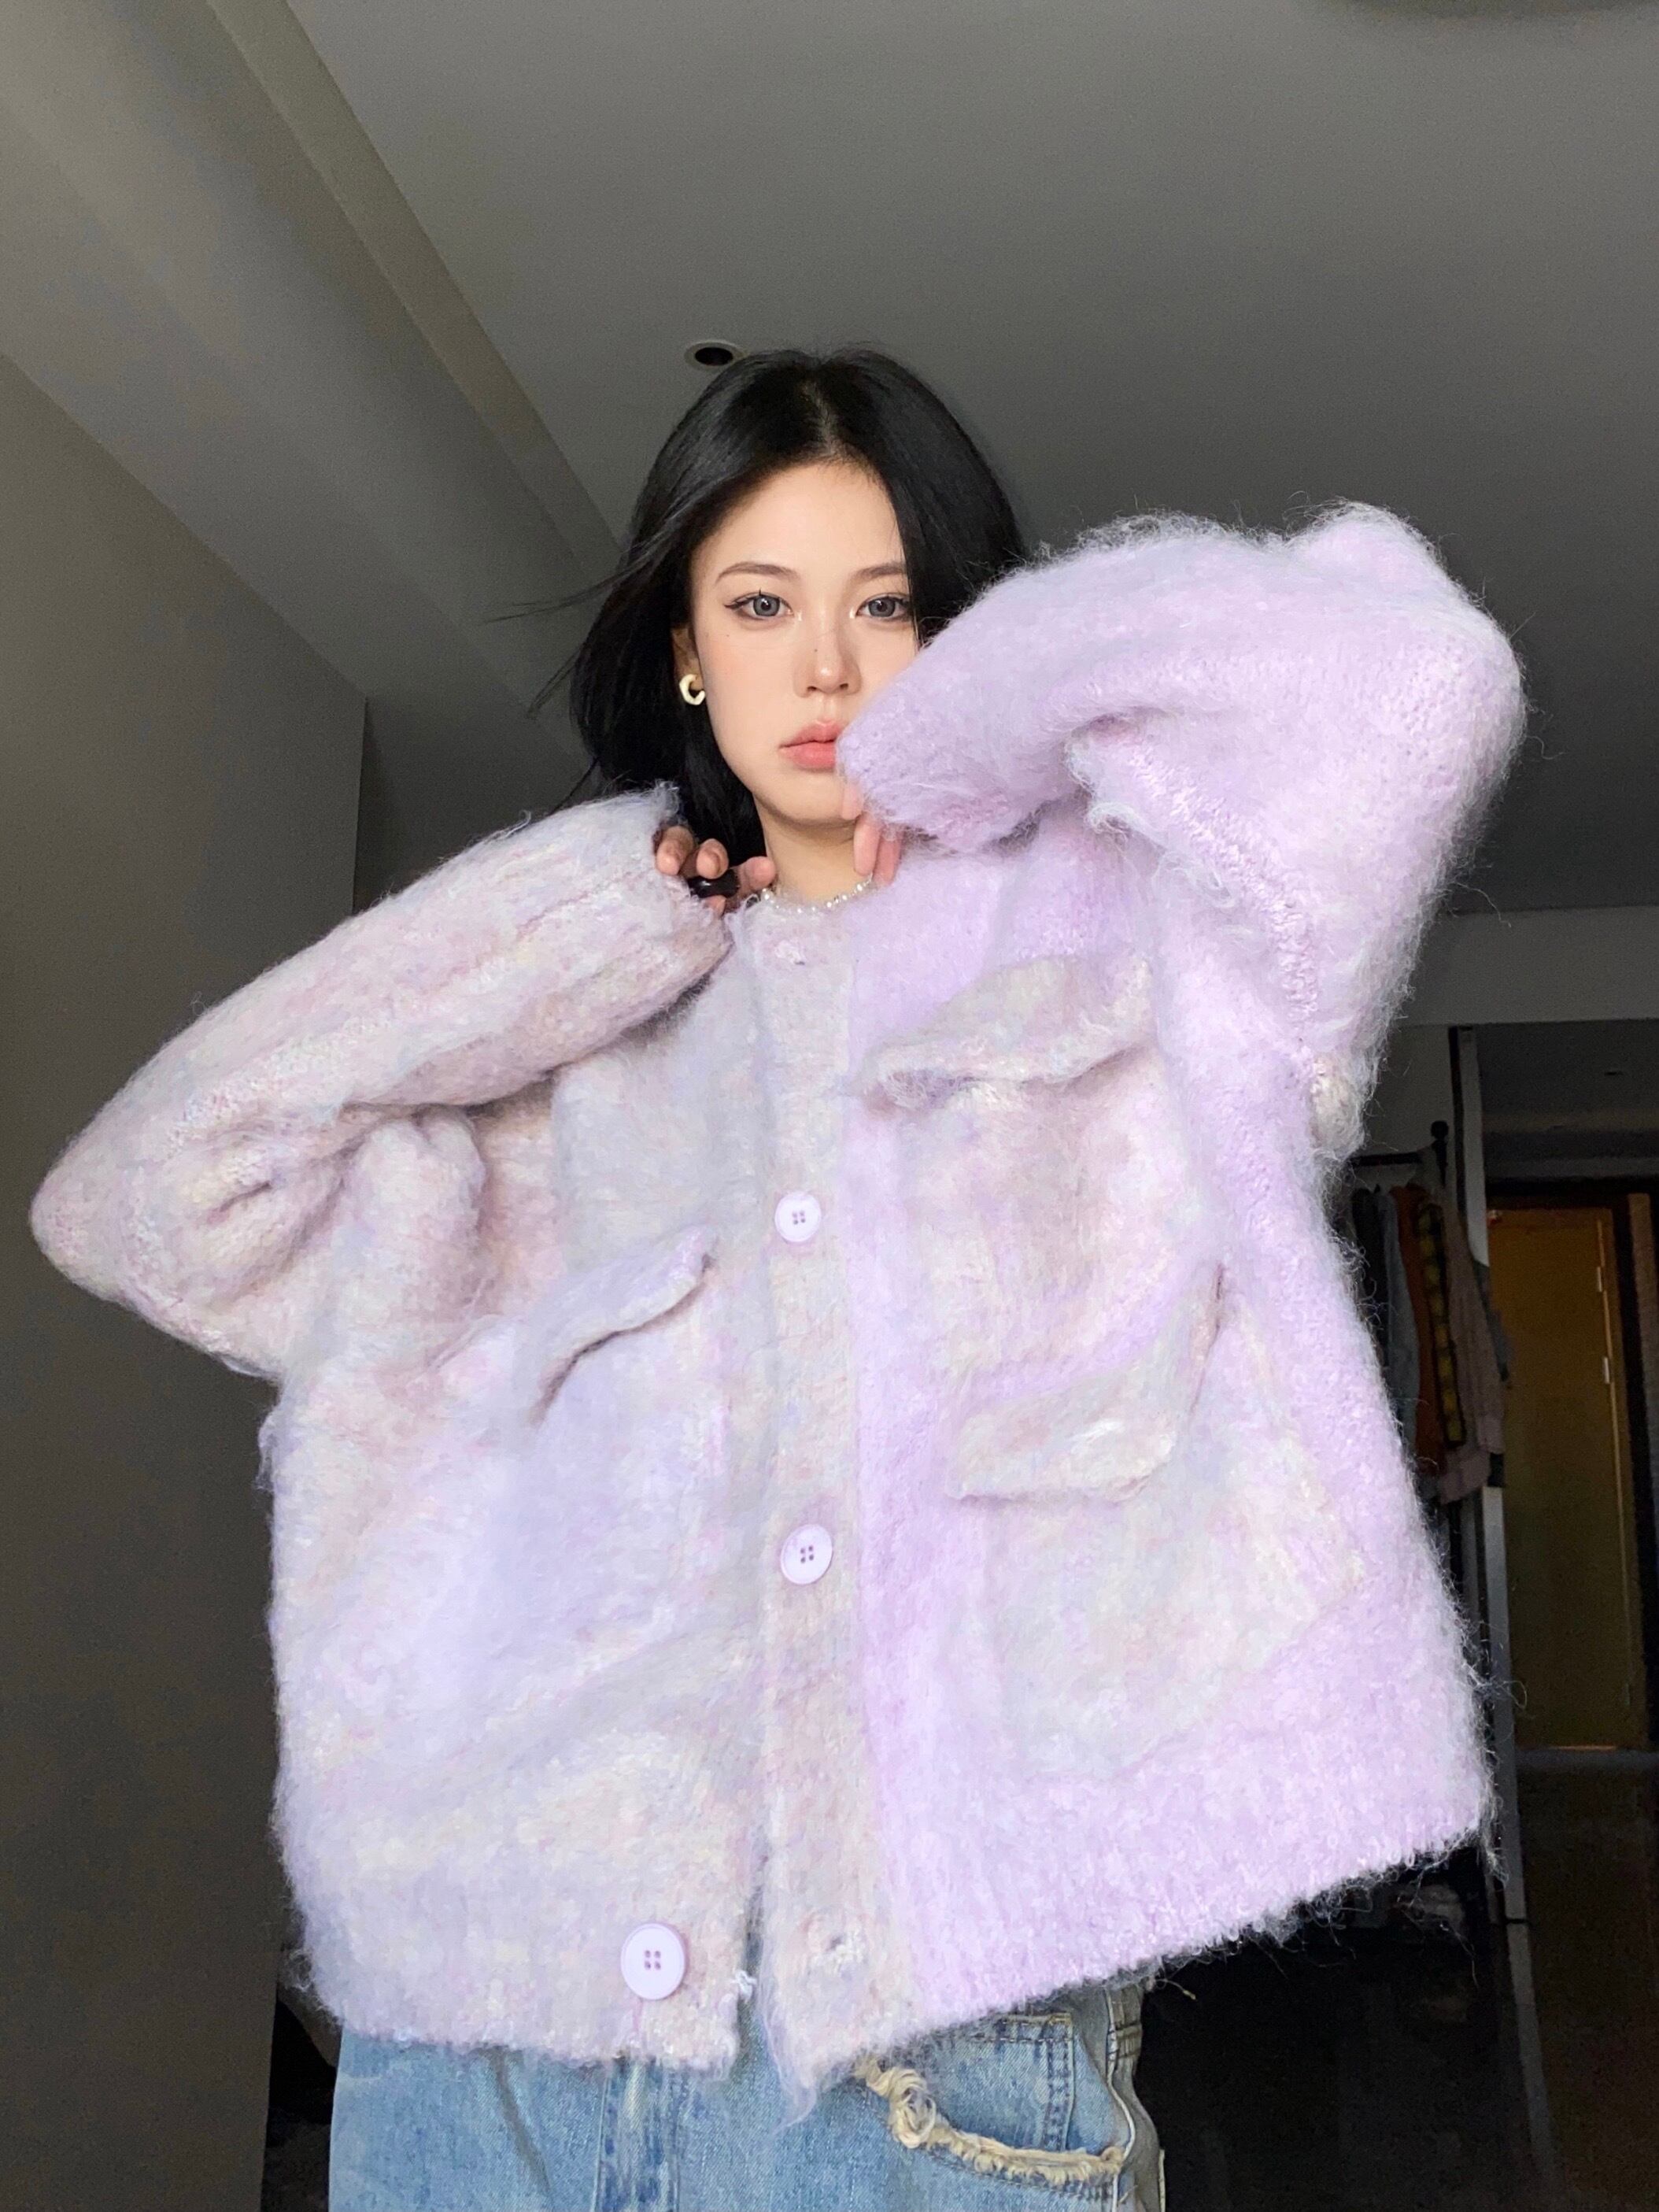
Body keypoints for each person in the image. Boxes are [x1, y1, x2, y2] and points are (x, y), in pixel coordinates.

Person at [28, 346, 1525, 2212]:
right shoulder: (545, 1061)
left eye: (886, 606)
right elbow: (150, 1194)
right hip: (484, 2057)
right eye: (758, 605)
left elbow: (1411, 685)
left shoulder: (1157, 950)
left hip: (930, 2058)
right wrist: (596, 910)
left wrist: (978, 737)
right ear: (685, 649)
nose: (823, 669)